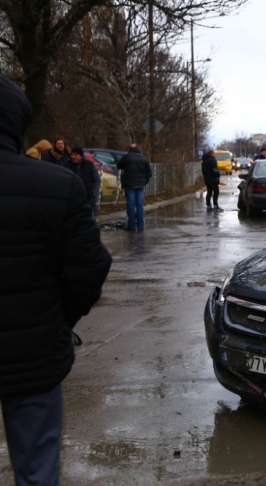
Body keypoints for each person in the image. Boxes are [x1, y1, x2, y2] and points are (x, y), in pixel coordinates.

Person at [0, 73, 112, 486]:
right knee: (37, 470)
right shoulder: (56, 184)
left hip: (38, 347)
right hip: (35, 355)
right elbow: (91, 266)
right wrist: (57, 317)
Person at [117, 143, 152, 230]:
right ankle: (140, 225)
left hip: (129, 184)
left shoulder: (126, 157)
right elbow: (149, 173)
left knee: (131, 205)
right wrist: (145, 181)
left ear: (129, 150)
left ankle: (131, 225)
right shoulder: (144, 158)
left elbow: (119, 166)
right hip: (140, 185)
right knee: (140, 205)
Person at [65, 147, 101, 220]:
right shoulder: (67, 165)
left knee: (90, 218)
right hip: (72, 198)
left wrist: (94, 194)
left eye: (75, 155)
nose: (73, 156)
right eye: (72, 155)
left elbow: (97, 180)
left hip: (88, 197)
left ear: (81, 155)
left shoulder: (90, 165)